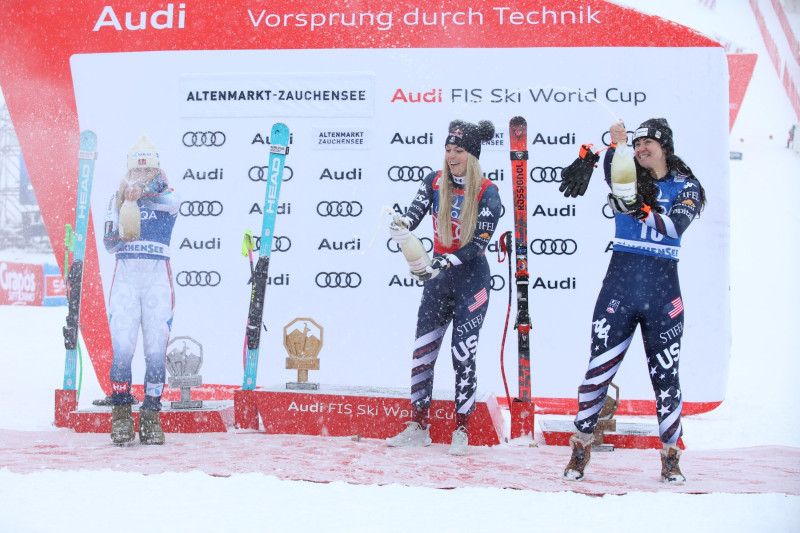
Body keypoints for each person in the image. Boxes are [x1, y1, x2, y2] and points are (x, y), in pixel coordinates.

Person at [558, 118, 706, 484]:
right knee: (598, 371)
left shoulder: (687, 186)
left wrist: (637, 208)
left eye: (647, 144)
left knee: (666, 377)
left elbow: (674, 228)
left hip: (662, 292)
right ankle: (581, 446)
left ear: (664, 147)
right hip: (620, 287)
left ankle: (671, 455)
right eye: (637, 144)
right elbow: (598, 147)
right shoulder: (624, 168)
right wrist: (588, 156)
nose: (640, 149)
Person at [386, 119, 502, 456]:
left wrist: (445, 262)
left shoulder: (487, 191)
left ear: (473, 156)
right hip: (438, 280)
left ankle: (461, 430)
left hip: (472, 279)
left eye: (459, 151)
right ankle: (418, 425)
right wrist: (403, 225)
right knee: (424, 350)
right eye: (448, 150)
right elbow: (415, 212)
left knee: (462, 354)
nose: (452, 156)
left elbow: (478, 245)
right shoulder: (434, 181)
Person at [103, 135, 180, 445]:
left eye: (148, 172)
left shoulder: (169, 194)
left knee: (154, 351)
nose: (141, 177)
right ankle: (121, 413)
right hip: (126, 276)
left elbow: (169, 202)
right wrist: (125, 230)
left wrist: (142, 194)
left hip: (157, 277)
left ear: (156, 171)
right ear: (129, 170)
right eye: (137, 171)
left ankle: (150, 415)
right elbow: (109, 245)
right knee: (122, 349)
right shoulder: (117, 197)